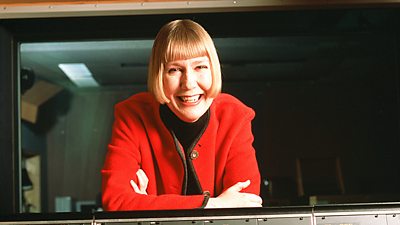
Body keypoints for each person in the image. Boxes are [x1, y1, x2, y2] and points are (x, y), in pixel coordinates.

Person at [101, 19, 262, 211]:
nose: (189, 83)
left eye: (200, 67)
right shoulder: (131, 115)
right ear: (158, 75)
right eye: (174, 70)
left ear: (213, 70)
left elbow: (245, 207)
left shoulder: (235, 116)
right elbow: (117, 202)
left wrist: (146, 204)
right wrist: (212, 204)